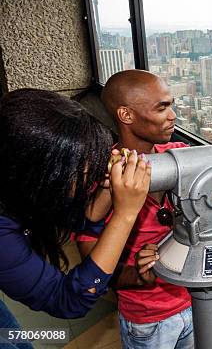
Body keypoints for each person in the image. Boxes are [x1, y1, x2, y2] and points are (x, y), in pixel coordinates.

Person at [77, 69, 212, 349]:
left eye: (171, 104)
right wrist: (138, 275)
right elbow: (93, 268)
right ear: (126, 115)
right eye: (162, 108)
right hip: (148, 320)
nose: (173, 115)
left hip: (193, 300)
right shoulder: (103, 180)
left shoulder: (180, 154)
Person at [0, 89, 151, 348]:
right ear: (38, 174)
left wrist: (105, 189)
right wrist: (125, 214)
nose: (89, 174)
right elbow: (69, 300)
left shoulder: (15, 187)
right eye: (79, 167)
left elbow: (82, 219)